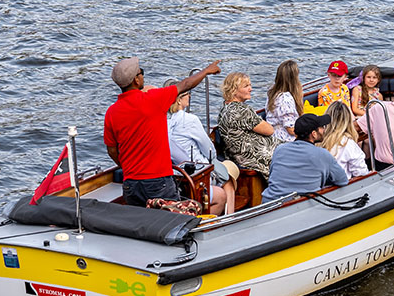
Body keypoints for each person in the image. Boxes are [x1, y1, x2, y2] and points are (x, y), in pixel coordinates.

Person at [103, 56, 221, 208]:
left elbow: (112, 150)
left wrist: (127, 167)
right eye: (141, 73)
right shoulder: (153, 99)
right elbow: (185, 84)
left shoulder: (111, 112)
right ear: (136, 80)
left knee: (140, 223)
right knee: (173, 222)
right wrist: (206, 71)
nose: (143, 76)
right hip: (158, 182)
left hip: (131, 184)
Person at [165, 82, 239, 215]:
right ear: (179, 100)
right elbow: (209, 150)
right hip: (197, 176)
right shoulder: (190, 120)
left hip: (175, 175)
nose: (189, 96)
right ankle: (228, 218)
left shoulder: (163, 121)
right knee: (228, 179)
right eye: (187, 94)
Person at [263, 114, 349, 201]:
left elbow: (272, 175)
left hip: (269, 202)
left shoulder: (280, 149)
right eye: (322, 127)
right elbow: (342, 180)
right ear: (314, 134)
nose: (324, 130)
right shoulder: (323, 154)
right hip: (299, 206)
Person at [217, 71, 281, 174]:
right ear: (234, 90)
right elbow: (269, 130)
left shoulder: (225, 108)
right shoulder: (241, 110)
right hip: (253, 157)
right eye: (246, 86)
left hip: (238, 154)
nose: (250, 89)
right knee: (293, 152)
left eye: (250, 85)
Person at [319, 101, 369, 179]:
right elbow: (362, 173)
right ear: (348, 120)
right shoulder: (347, 143)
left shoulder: (317, 141)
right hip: (343, 188)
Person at [266, 59, 303, 143]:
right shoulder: (285, 98)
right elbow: (291, 129)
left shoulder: (272, 92)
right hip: (285, 139)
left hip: (273, 137)